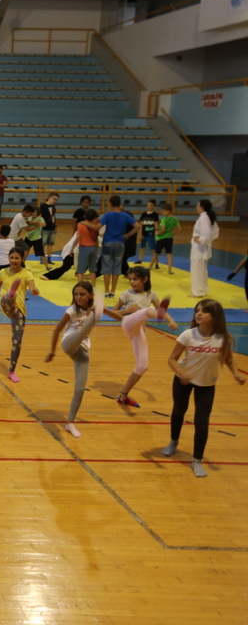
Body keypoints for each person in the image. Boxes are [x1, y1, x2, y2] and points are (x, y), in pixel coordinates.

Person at [162, 299, 245, 477]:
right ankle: (173, 442)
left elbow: (228, 358)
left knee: (202, 421)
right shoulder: (188, 335)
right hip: (183, 380)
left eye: (204, 311)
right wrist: (182, 374)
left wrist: (236, 374)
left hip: (206, 384)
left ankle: (197, 460)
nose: (198, 313)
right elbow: (172, 359)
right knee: (178, 411)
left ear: (214, 316)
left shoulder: (223, 338)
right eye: (197, 310)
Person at [104, 267, 177, 407]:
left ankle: (123, 395)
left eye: (135, 279)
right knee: (148, 311)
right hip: (128, 323)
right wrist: (127, 310)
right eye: (130, 279)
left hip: (139, 331)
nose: (132, 282)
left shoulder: (151, 294)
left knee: (142, 366)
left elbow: (161, 309)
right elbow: (113, 313)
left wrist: (169, 320)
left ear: (145, 279)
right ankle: (158, 315)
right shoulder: (126, 294)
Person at [46, 280, 105, 438]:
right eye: (76, 294)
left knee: (80, 389)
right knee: (80, 333)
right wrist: (52, 352)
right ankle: (94, 319)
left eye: (82, 294)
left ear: (90, 295)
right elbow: (57, 330)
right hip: (69, 342)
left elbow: (117, 315)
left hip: (82, 350)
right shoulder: (71, 310)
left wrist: (129, 312)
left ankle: (70, 423)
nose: (78, 297)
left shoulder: (93, 308)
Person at [0, 247, 40, 383]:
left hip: (18, 310)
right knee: (7, 298)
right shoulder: (3, 272)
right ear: (8, 258)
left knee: (17, 341)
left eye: (17, 258)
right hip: (4, 303)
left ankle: (12, 371)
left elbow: (32, 287)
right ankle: (10, 294)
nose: (14, 260)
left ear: (22, 259)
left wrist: (34, 291)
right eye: (12, 258)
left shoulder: (27, 274)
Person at [98, 195, 140, 299]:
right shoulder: (125, 215)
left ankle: (106, 291)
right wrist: (128, 235)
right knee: (117, 267)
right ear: (120, 204)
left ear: (110, 204)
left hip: (108, 243)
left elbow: (97, 227)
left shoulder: (108, 215)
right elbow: (137, 226)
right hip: (120, 243)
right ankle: (113, 291)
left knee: (106, 267)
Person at [189, 198, 219, 298]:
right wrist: (207, 240)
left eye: (197, 206)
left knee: (197, 270)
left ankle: (198, 292)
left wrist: (201, 240)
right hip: (201, 248)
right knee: (202, 270)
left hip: (200, 249)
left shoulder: (203, 218)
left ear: (202, 207)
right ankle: (203, 289)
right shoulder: (206, 217)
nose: (196, 207)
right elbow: (215, 231)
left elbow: (207, 233)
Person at [150, 202, 180, 275]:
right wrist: (172, 233)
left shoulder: (164, 219)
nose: (162, 212)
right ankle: (169, 270)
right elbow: (179, 229)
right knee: (169, 254)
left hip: (161, 238)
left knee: (156, 253)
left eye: (163, 211)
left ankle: (150, 266)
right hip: (169, 238)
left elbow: (163, 229)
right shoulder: (175, 219)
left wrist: (157, 233)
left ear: (168, 211)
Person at [75, 208, 101, 285]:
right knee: (92, 270)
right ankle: (93, 286)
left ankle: (80, 285)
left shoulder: (80, 225)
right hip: (92, 248)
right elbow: (96, 240)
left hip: (84, 248)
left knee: (80, 270)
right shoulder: (95, 227)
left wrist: (72, 248)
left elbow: (78, 237)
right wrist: (96, 251)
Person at [136, 199, 160, 265]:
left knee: (153, 248)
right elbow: (141, 224)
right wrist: (140, 233)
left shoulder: (155, 214)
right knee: (142, 247)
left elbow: (156, 224)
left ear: (154, 206)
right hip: (144, 234)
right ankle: (140, 260)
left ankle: (156, 262)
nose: (149, 207)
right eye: (148, 205)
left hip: (151, 234)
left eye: (151, 205)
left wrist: (157, 231)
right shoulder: (143, 214)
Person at [40, 192, 58, 263]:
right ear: (50, 197)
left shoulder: (53, 207)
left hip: (52, 227)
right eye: (54, 199)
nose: (55, 201)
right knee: (43, 244)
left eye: (56, 200)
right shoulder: (43, 206)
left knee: (50, 244)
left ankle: (49, 259)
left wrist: (55, 226)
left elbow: (53, 217)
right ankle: (42, 259)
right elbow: (40, 216)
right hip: (45, 228)